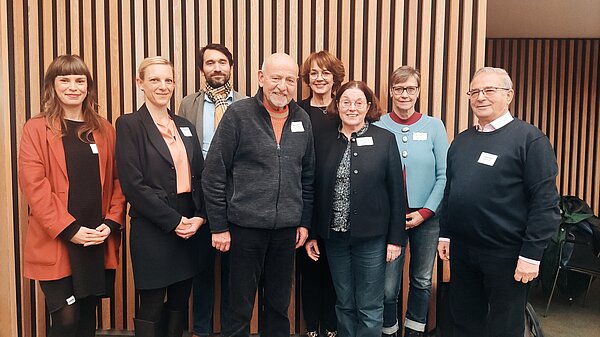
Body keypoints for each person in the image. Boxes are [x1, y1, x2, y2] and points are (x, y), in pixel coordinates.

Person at [437, 67, 560, 337]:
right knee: (463, 321)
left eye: (489, 90)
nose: (480, 97)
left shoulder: (530, 140)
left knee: (504, 326)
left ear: (509, 95)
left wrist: (531, 255)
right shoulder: (461, 141)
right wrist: (445, 235)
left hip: (507, 255)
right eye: (475, 91)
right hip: (463, 252)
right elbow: (451, 191)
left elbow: (546, 203)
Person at [202, 52, 314, 337]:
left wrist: (304, 221)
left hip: (286, 232)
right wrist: (219, 226)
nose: (282, 86)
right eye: (276, 78)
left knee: (278, 307)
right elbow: (214, 173)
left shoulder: (302, 119)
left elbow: (308, 176)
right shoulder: (239, 115)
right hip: (243, 230)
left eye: (290, 80)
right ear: (261, 78)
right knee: (238, 308)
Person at [18, 54, 126, 337]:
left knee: (88, 317)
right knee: (66, 318)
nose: (73, 87)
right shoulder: (36, 128)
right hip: (58, 239)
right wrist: (70, 229)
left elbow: (118, 180)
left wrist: (111, 222)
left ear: (88, 86)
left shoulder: (104, 129)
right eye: (64, 80)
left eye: (80, 80)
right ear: (52, 86)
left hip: (96, 239)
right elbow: (34, 186)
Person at [305, 81, 406, 337]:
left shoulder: (384, 140)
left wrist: (396, 239)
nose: (352, 108)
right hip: (335, 237)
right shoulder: (324, 140)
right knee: (344, 303)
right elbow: (315, 190)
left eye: (359, 102)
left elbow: (397, 192)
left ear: (368, 106)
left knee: (370, 306)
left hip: (372, 239)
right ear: (337, 105)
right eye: (346, 102)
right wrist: (314, 233)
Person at [115, 56, 207, 337]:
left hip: (191, 225)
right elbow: (133, 185)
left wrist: (200, 217)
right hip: (153, 225)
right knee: (152, 302)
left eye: (168, 80)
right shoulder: (129, 124)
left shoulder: (185, 125)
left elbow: (200, 176)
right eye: (154, 79)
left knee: (180, 300)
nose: (162, 86)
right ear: (139, 83)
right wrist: (174, 221)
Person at [375, 66, 449, 337]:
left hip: (427, 219)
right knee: (388, 285)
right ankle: (389, 331)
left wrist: (426, 212)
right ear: (391, 92)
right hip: (390, 218)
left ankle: (415, 331)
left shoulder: (434, 126)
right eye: (398, 88)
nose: (404, 94)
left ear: (418, 91)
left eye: (410, 89)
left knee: (421, 280)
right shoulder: (378, 125)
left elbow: (445, 175)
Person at [179, 43, 245, 337]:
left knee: (235, 274)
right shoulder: (187, 104)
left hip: (238, 197)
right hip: (200, 198)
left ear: (231, 66)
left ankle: (233, 330)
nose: (216, 68)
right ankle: (200, 331)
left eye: (222, 62)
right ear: (201, 69)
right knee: (201, 272)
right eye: (210, 63)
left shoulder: (246, 104)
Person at [298, 50, 345, 337]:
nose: (319, 78)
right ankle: (311, 327)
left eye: (325, 73)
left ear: (335, 78)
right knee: (309, 269)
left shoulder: (345, 109)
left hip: (337, 201)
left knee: (334, 270)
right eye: (314, 73)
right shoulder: (297, 109)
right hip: (304, 200)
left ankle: (331, 326)